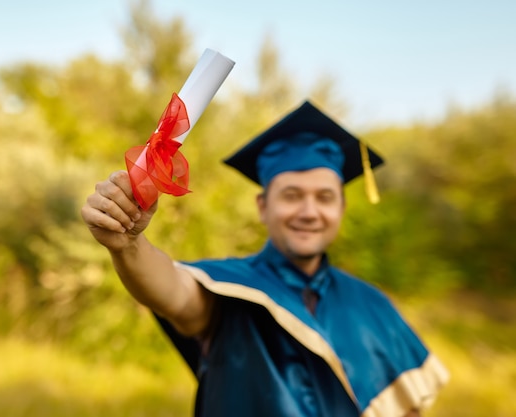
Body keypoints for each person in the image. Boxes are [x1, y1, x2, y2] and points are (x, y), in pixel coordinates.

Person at [81, 101, 449, 416]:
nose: (309, 211)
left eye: (324, 197)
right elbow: (174, 292)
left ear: (341, 207)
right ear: (263, 206)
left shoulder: (372, 305)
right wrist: (127, 243)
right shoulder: (230, 289)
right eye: (291, 195)